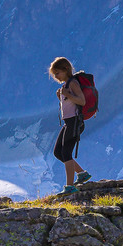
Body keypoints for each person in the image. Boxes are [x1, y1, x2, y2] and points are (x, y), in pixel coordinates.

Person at [48, 57, 93, 193]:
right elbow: (69, 103)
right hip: (68, 123)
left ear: (65, 69)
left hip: (74, 122)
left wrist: (67, 94)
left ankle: (70, 186)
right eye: (54, 74)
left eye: (57, 73)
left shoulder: (72, 83)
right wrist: (61, 96)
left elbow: (82, 101)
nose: (56, 76)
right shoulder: (65, 86)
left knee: (66, 152)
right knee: (58, 152)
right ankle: (82, 174)